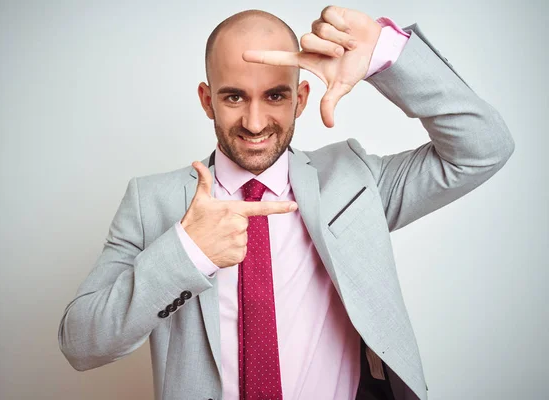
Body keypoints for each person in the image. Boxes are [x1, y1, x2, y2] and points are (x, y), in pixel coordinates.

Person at [58, 6, 514, 400]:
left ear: (300, 100)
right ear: (207, 100)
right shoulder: (151, 201)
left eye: (274, 96)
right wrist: (187, 252)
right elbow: (81, 343)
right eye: (234, 96)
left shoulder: (354, 182)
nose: (255, 123)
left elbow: (484, 148)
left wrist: (386, 55)